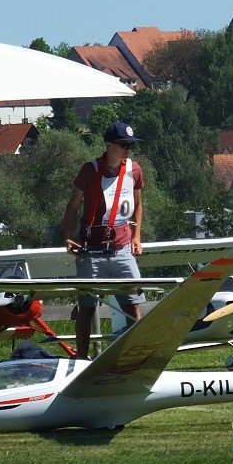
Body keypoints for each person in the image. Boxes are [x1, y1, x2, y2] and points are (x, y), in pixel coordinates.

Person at [63, 121, 145, 359]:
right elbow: (72, 206)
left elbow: (138, 204)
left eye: (131, 144)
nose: (128, 149)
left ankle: (134, 357)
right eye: (124, 144)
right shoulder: (89, 170)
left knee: (132, 303)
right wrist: (68, 237)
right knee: (87, 306)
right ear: (109, 145)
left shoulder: (135, 170)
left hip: (122, 247)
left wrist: (137, 236)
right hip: (91, 248)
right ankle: (81, 359)